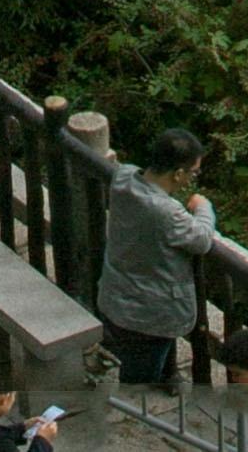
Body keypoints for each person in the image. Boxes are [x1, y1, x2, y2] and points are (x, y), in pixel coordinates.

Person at [89, 126, 214, 392]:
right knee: (139, 375)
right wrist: (203, 208)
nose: (193, 177)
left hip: (116, 295)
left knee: (129, 350)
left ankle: (157, 372)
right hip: (148, 314)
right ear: (178, 174)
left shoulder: (123, 178)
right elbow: (202, 239)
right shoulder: (166, 212)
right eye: (193, 172)